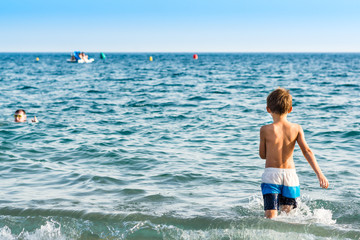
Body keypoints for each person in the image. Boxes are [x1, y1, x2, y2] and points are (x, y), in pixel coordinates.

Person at [259, 88, 329, 219]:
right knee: (288, 216)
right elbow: (307, 151)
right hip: (290, 176)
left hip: (271, 175)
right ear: (290, 109)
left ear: (268, 109)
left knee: (270, 216)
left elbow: (263, 155)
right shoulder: (296, 128)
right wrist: (320, 174)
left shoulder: (264, 129)